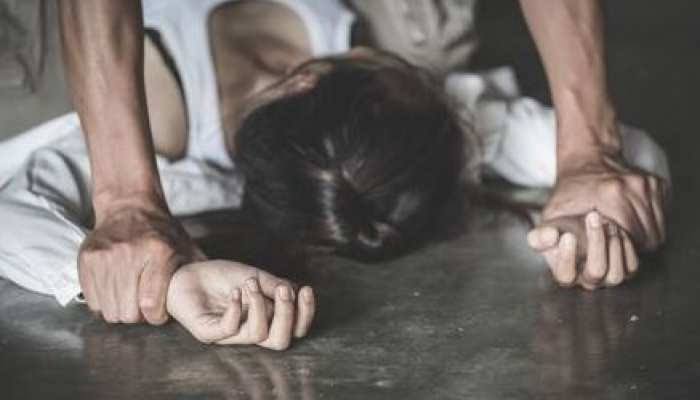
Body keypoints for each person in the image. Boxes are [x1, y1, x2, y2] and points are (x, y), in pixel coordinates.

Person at [0, 0, 668, 346]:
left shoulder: (173, 139)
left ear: (308, 81)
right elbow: (628, 156)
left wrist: (163, 282)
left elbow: (13, 215)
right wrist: (592, 165)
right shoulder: (410, 93)